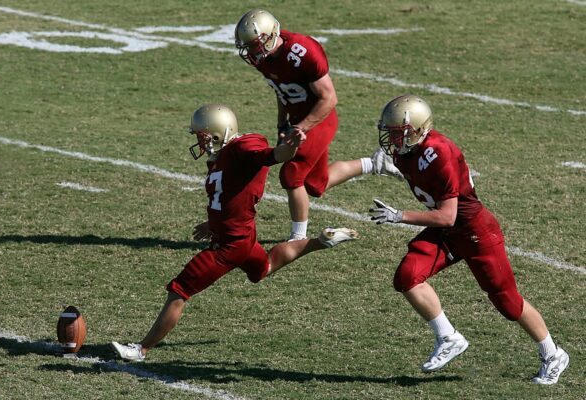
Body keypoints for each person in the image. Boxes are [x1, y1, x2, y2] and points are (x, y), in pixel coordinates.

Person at [111, 104, 358, 361]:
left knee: (179, 290)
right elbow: (231, 195)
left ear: (220, 132)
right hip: (242, 237)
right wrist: (214, 223)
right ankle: (322, 241)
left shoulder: (242, 148)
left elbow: (275, 155)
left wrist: (291, 147)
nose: (200, 140)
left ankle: (141, 349)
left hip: (228, 246)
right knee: (264, 268)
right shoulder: (223, 155)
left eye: (203, 135)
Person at [368, 94, 569, 384]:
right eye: (391, 132)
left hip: (474, 230)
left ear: (419, 129)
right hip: (449, 232)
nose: (393, 139)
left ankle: (553, 354)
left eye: (399, 132)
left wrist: (400, 216)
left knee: (507, 302)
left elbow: (447, 216)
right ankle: (448, 337)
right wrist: (379, 166)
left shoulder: (440, 152)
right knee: (407, 276)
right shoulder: (405, 152)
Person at [234, 9, 390, 241]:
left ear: (270, 36)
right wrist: (282, 123)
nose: (251, 52)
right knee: (317, 184)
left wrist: (301, 127)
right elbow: (281, 91)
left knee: (291, 175)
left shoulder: (302, 51)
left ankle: (298, 238)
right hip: (297, 119)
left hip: (319, 119)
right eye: (247, 47)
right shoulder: (264, 58)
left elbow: (329, 98)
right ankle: (375, 163)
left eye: (254, 45)